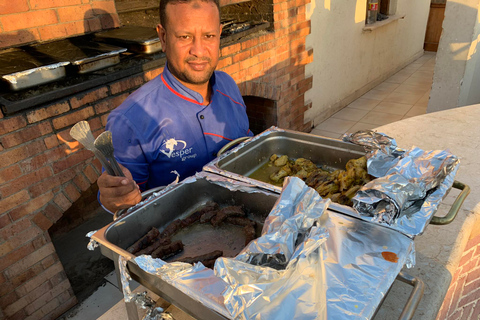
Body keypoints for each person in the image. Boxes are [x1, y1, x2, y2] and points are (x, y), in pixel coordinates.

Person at [97, 0, 252, 213]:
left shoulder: (228, 85)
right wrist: (116, 199)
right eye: (184, 37)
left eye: (208, 36)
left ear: (219, 34)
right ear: (163, 37)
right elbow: (124, 204)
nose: (198, 51)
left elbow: (247, 146)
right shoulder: (130, 121)